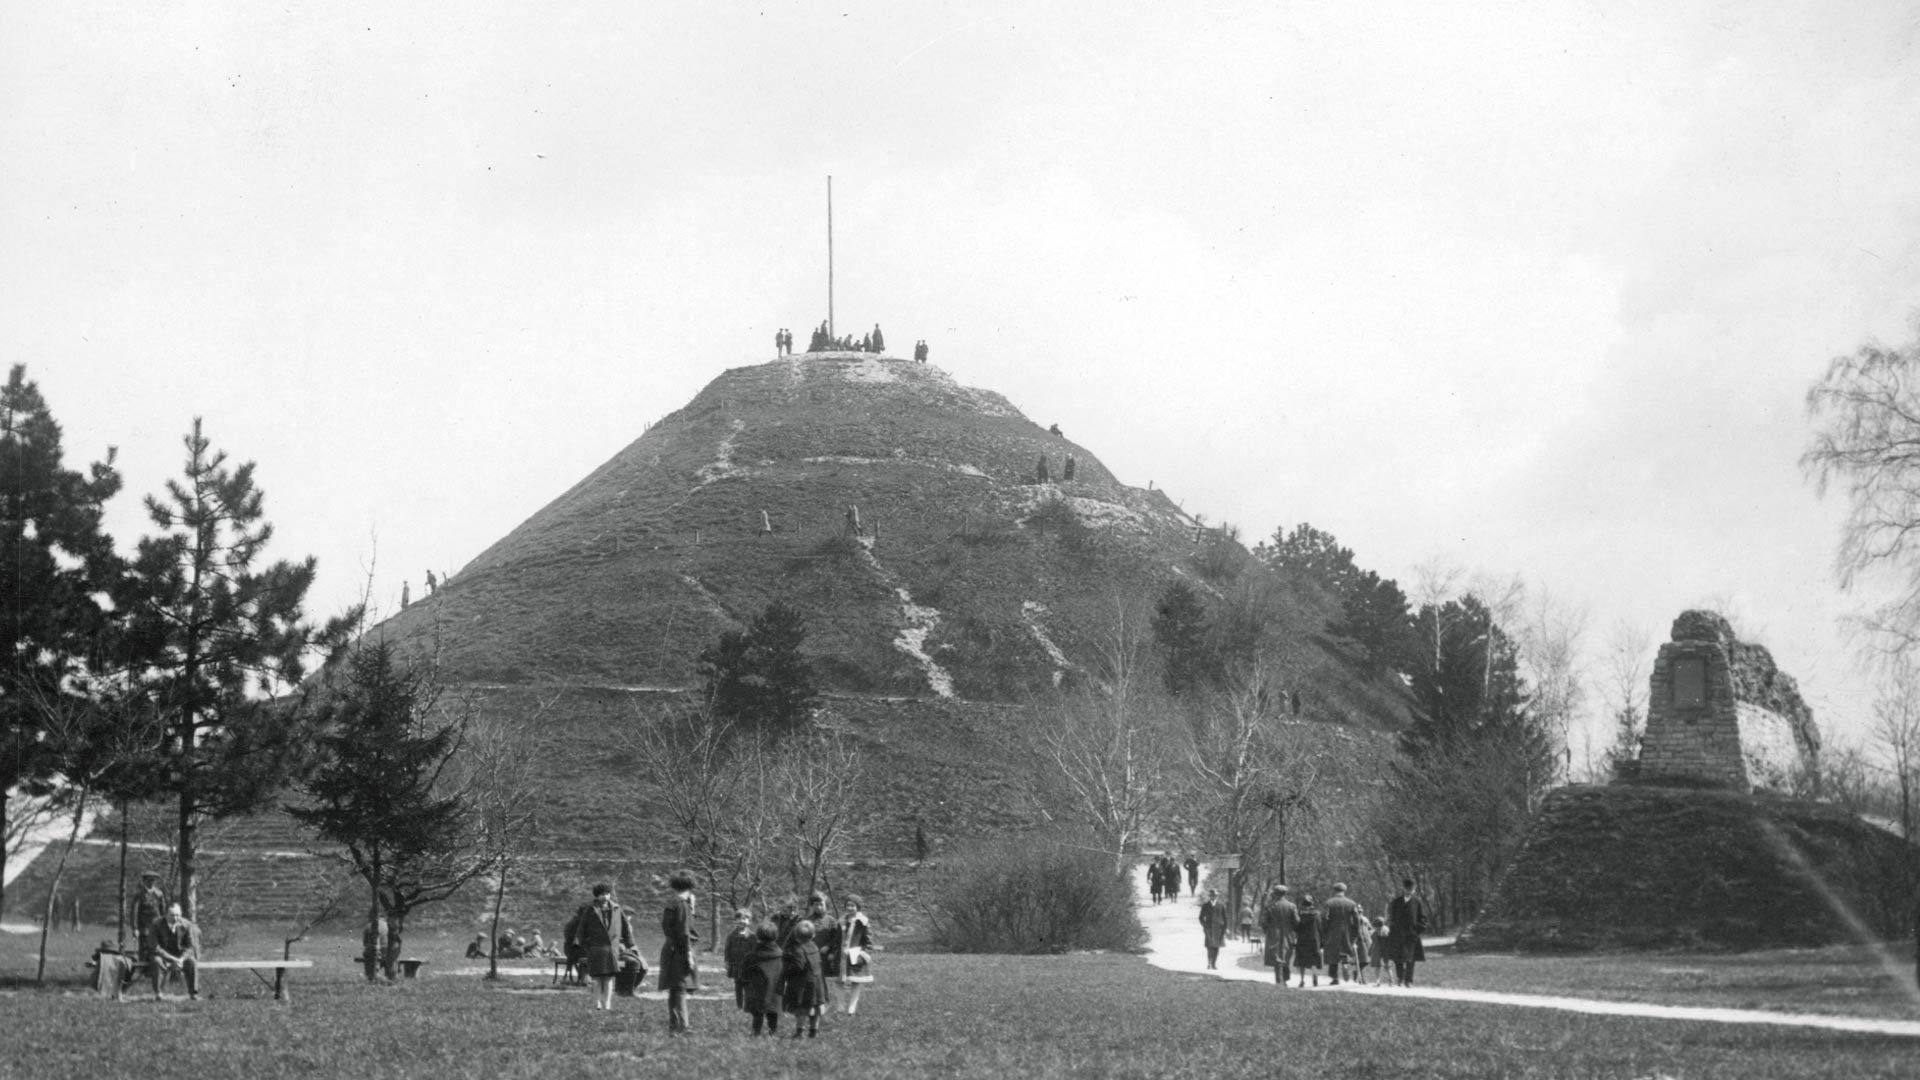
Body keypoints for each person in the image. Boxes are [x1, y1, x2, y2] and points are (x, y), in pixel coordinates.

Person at [569, 882, 634, 1011]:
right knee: (597, 978)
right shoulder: (590, 910)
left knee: (609, 978)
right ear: (597, 896)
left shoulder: (617, 908)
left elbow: (626, 927)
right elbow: (581, 927)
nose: (605, 897)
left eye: (607, 894)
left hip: (612, 948)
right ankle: (597, 1003)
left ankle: (607, 1003)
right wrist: (577, 942)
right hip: (596, 948)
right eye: (602, 894)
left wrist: (630, 943)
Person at [660, 869, 699, 1034]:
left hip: (670, 948)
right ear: (690, 886)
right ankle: (684, 1026)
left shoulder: (671, 903)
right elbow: (684, 932)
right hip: (681, 950)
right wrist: (689, 954)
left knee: (674, 989)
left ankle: (673, 1025)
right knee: (681, 989)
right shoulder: (683, 905)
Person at [782, 919, 829, 1038]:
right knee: (815, 1008)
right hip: (817, 982)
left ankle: (799, 1031)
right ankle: (813, 1031)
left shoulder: (798, 949)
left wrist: (786, 971)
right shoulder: (814, 946)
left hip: (802, 984)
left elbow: (798, 966)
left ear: (796, 936)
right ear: (813, 935)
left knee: (802, 1008)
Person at [741, 922, 786, 1036]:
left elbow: (744, 973)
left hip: (756, 990)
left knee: (757, 1012)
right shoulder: (781, 955)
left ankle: (756, 1031)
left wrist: (744, 982)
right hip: (775, 989)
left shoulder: (751, 955)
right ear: (776, 936)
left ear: (758, 936)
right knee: (773, 1012)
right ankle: (773, 1030)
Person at [149, 902, 199, 1000]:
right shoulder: (156, 924)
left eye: (177, 915)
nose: (175, 918)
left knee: (191, 961)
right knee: (156, 961)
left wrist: (181, 959)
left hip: (179, 956)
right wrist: (172, 959)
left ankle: (193, 993)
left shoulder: (186, 925)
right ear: (166, 914)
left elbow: (190, 947)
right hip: (162, 955)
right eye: (172, 915)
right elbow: (155, 947)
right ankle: (158, 993)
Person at [1385, 877, 1429, 987]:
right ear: (1403, 888)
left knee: (1411, 958)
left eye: (1411, 889)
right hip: (1398, 934)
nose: (1409, 891)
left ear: (1414, 889)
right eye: (1407, 889)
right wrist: (1392, 929)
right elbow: (1391, 917)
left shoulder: (1417, 902)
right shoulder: (1396, 902)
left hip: (1411, 935)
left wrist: (1418, 930)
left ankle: (1408, 980)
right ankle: (1400, 977)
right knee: (1398, 958)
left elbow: (1423, 918)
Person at [837, 895, 874, 1015]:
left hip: (855, 956)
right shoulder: (842, 921)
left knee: (855, 981)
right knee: (839, 981)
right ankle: (840, 1007)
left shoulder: (862, 922)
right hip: (842, 956)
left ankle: (852, 1008)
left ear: (858, 907)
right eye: (848, 905)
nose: (850, 908)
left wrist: (863, 954)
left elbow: (868, 941)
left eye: (853, 906)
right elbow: (836, 939)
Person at [1321, 882, 1361, 985]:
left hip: (1332, 931)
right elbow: (1356, 919)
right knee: (1345, 949)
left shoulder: (1329, 903)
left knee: (1332, 954)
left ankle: (1335, 978)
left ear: (1334, 890)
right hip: (1347, 931)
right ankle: (1345, 964)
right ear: (1344, 890)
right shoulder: (1351, 903)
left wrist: (1324, 930)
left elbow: (1325, 917)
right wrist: (1356, 932)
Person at [1259, 885, 1298, 986]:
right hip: (1288, 934)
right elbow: (1297, 921)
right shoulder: (1291, 906)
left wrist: (1267, 931)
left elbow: (1263, 921)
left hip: (1273, 934)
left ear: (1275, 894)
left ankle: (1279, 980)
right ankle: (1284, 979)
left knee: (1277, 958)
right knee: (1286, 956)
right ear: (1285, 894)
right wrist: (1293, 930)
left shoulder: (1270, 906)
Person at [724, 909, 757, 1012]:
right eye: (739, 919)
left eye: (745, 919)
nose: (741, 921)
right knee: (738, 985)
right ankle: (739, 1006)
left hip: (747, 966)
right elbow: (727, 949)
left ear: (749, 921)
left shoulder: (752, 936)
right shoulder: (731, 936)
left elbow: (755, 951)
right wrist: (727, 961)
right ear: (735, 921)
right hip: (735, 964)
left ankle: (747, 1006)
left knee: (747, 986)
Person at [130, 872, 166, 963]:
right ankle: (143, 972)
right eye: (149, 880)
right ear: (144, 881)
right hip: (144, 927)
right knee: (144, 949)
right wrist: (135, 928)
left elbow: (163, 911)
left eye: (153, 880)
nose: (151, 883)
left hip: (157, 926)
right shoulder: (139, 894)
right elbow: (134, 911)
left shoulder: (159, 894)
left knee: (157, 948)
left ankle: (155, 970)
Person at [1293, 895, 1323, 987]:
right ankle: (1315, 979)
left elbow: (1296, 928)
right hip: (1314, 940)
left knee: (1301, 961)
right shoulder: (1317, 915)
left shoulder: (1300, 915)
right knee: (1314, 961)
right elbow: (1320, 928)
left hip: (1302, 940)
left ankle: (1302, 980)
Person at [1198, 889, 1230, 970]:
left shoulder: (1221, 905)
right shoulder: (1205, 905)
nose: (1213, 897)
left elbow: (1225, 918)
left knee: (1216, 947)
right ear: (1210, 896)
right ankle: (1209, 963)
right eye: (1212, 896)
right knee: (1209, 946)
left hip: (1218, 929)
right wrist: (1204, 925)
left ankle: (1214, 963)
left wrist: (1225, 928)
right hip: (1208, 928)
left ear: (1217, 896)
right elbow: (1201, 917)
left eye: (1215, 896)